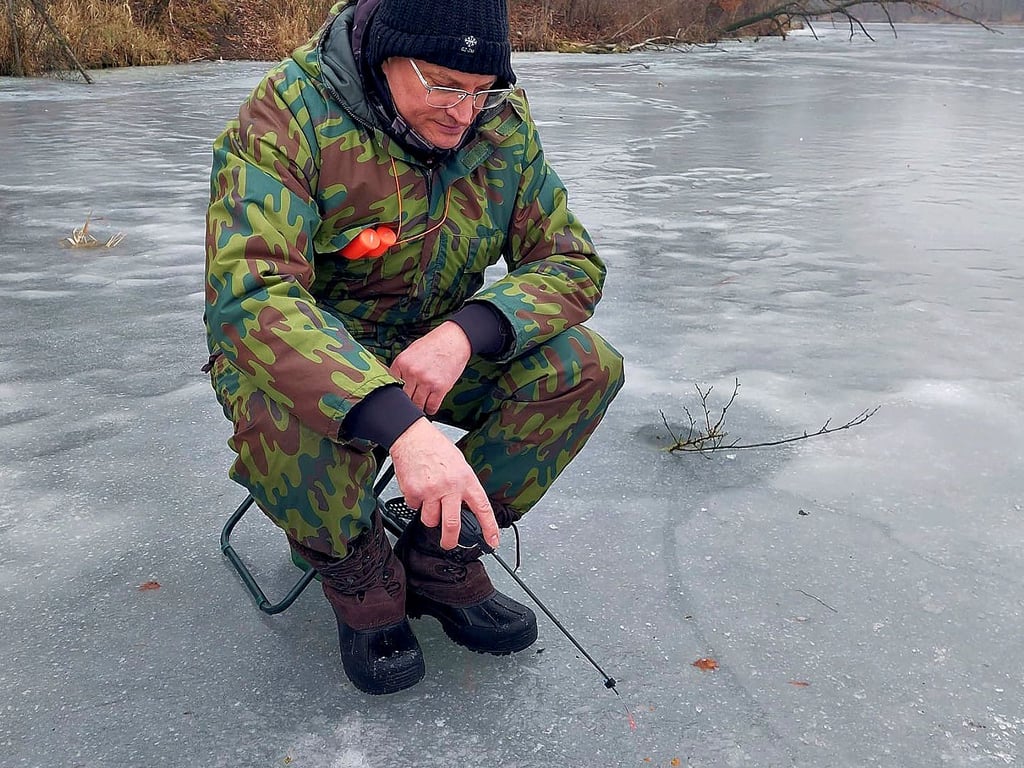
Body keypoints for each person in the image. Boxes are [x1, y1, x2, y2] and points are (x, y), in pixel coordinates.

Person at [203, 0, 624, 695]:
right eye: (444, 85)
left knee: (583, 367)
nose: (464, 113)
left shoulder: (498, 125)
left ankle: (440, 553)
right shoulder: (286, 116)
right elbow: (251, 297)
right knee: (286, 405)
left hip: (429, 342)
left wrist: (467, 333)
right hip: (300, 350)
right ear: (383, 55)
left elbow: (572, 262)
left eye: (482, 90)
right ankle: (357, 569)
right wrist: (399, 424)